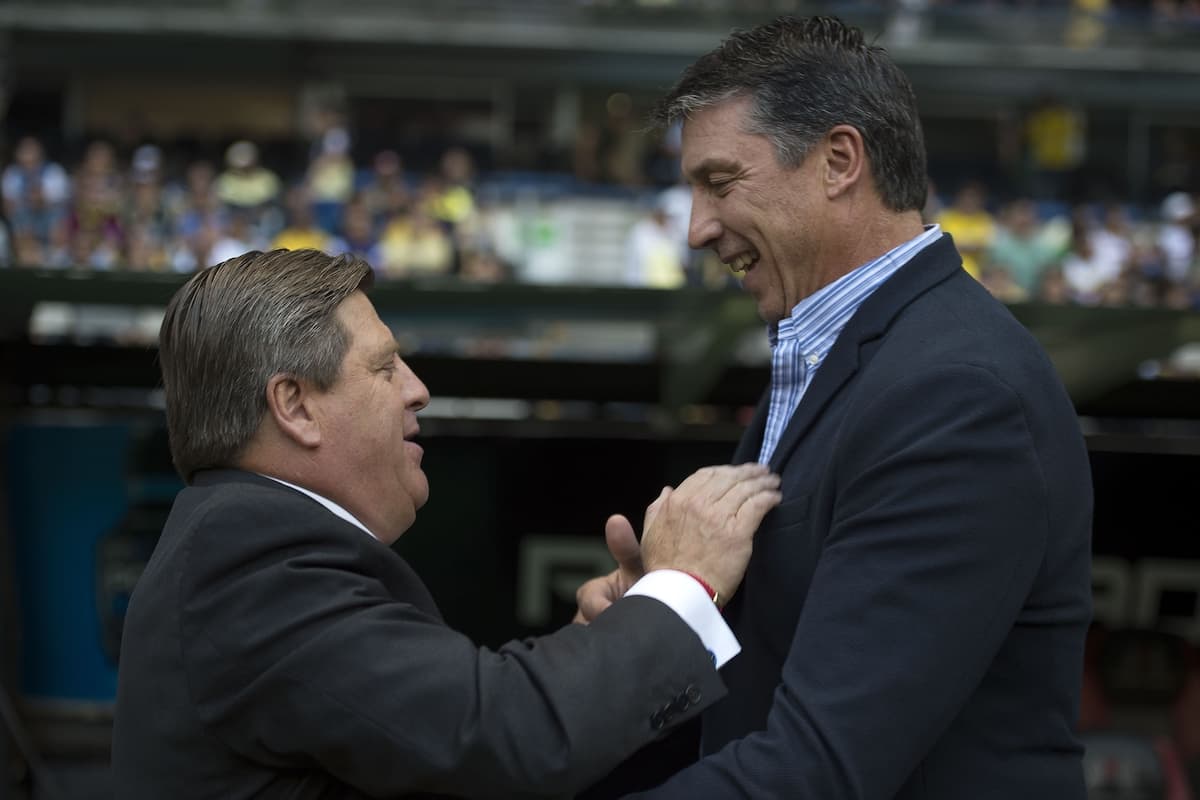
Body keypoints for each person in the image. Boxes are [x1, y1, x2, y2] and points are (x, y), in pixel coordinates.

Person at [576, 15, 1093, 799]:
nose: (696, 229)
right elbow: (764, 684)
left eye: (719, 182)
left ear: (839, 161)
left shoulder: (955, 392)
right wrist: (659, 624)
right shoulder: (846, 351)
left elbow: (823, 766)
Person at [111, 248, 783, 798]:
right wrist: (684, 585)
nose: (417, 388)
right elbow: (497, 736)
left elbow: (450, 717)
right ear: (294, 406)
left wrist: (603, 642)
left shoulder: (242, 545)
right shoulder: (250, 559)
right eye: (383, 366)